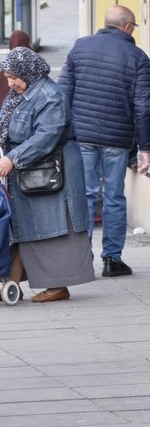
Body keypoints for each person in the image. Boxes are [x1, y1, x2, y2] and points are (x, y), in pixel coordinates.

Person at [58, 5, 150, 278]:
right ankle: (112, 259)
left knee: (85, 196)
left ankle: (82, 258)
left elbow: (63, 93)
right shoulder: (137, 57)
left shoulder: (80, 47)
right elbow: (144, 106)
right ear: (126, 26)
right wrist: (145, 147)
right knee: (114, 197)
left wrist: (64, 134)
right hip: (117, 138)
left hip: (83, 136)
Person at [0, 48, 94, 302]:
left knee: (55, 226)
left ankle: (57, 285)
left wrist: (12, 158)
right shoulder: (19, 95)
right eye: (7, 77)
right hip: (31, 171)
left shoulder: (50, 95)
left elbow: (46, 137)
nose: (10, 83)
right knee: (24, 227)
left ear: (27, 72)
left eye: (13, 77)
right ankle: (10, 284)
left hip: (54, 171)